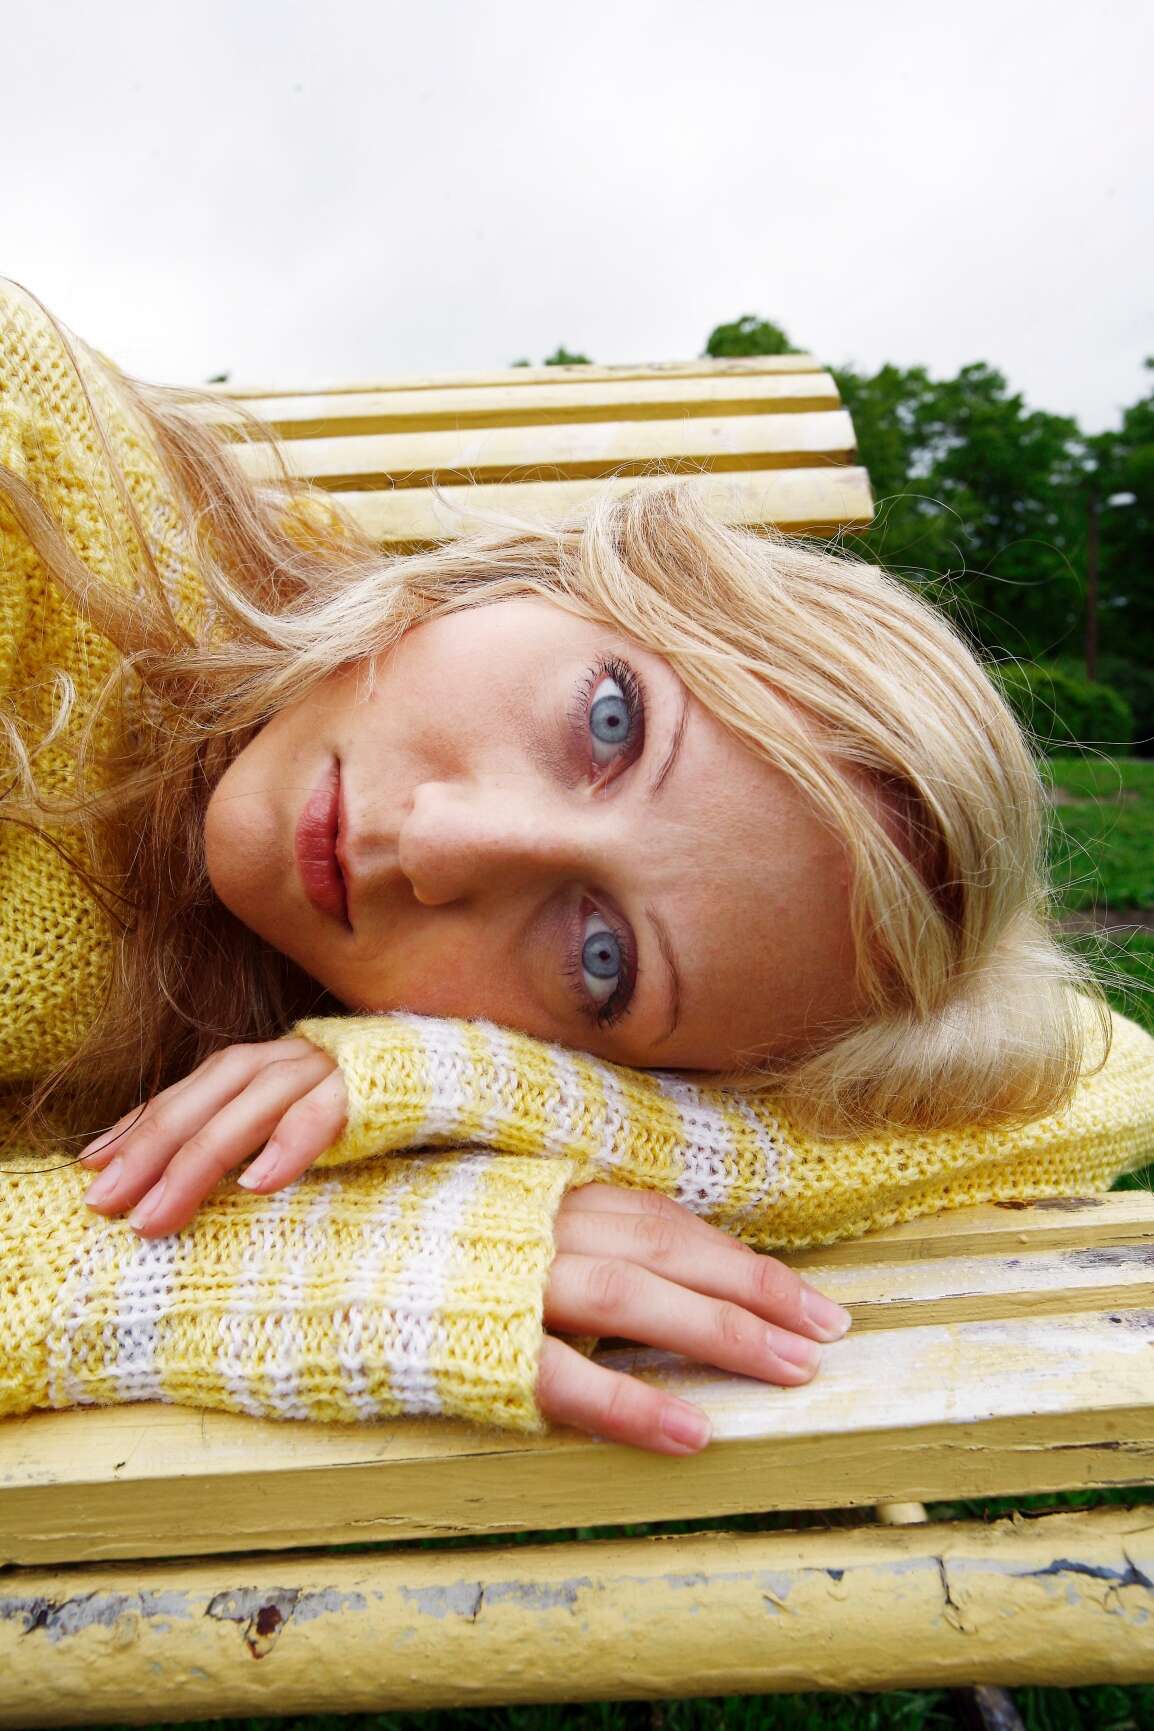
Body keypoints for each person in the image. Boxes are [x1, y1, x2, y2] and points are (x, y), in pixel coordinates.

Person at [1, 277, 1146, 1454]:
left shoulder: (284, 1002)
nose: (438, 845)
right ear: (548, 582)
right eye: (609, 722)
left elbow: (1111, 1073)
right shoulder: (29, 467)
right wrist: (201, 1277)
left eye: (601, 960)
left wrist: (476, 1087)